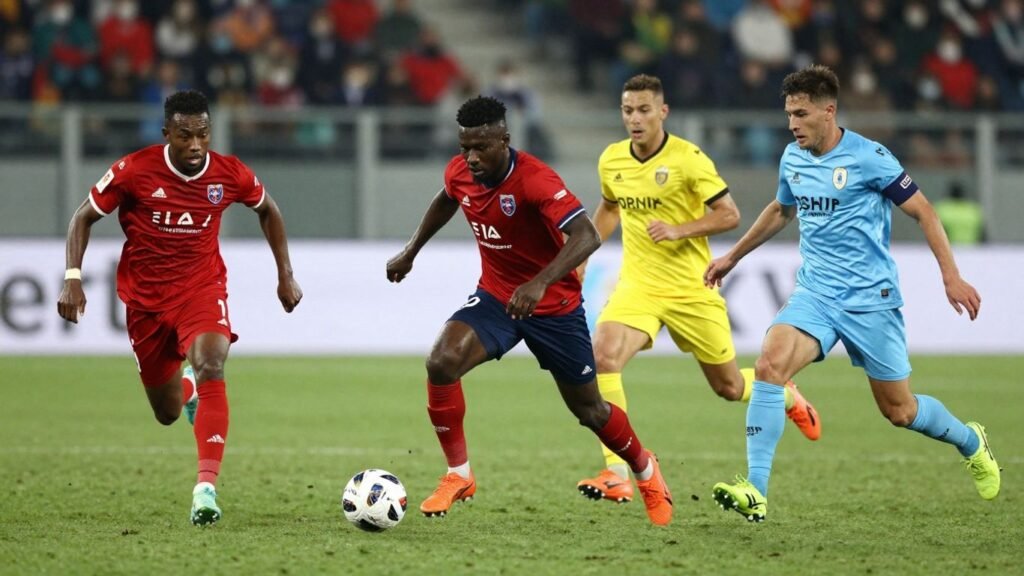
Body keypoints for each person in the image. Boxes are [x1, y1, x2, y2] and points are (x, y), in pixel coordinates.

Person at [704, 65, 999, 522]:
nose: (792, 124)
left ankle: (970, 440)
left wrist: (951, 277)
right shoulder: (792, 157)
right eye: (788, 115)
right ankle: (755, 489)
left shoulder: (870, 157)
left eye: (801, 114)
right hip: (816, 293)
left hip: (870, 299)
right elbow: (781, 211)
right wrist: (733, 257)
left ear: (829, 110)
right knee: (769, 365)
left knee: (900, 411)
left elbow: (924, 212)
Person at [386, 96, 673, 525]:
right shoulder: (460, 171)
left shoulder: (536, 180)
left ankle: (646, 471)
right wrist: (411, 250)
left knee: (589, 410)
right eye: (465, 147)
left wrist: (540, 282)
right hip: (498, 297)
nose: (471, 158)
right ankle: (459, 475)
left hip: (554, 306)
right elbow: (448, 197)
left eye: (481, 147)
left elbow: (588, 235)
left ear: (504, 139)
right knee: (442, 363)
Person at [57, 90, 303, 526]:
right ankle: (185, 390)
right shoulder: (134, 170)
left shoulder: (229, 174)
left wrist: (284, 273)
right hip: (146, 303)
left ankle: (205, 488)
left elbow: (269, 209)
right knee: (167, 413)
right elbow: (83, 217)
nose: (195, 145)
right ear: (167, 132)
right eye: (185, 135)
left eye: (203, 134)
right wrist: (73, 278)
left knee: (212, 361)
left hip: (201, 289)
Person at [575, 74, 821, 506]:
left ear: (662, 112)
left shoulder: (688, 160)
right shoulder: (612, 160)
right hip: (639, 287)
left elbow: (729, 215)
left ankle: (785, 394)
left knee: (727, 387)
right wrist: (583, 255)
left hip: (692, 288)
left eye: (644, 110)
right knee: (602, 357)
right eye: (628, 110)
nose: (635, 118)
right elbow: (610, 208)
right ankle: (616, 472)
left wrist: (679, 230)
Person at [934, 181, 985, 245]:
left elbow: (936, 232)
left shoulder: (943, 209)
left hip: (950, 249)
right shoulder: (973, 210)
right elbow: (982, 234)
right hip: (972, 250)